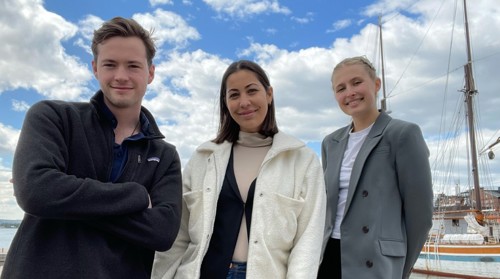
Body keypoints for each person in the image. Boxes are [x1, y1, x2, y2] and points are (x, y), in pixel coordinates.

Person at [1, 17, 182, 279]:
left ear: (150, 72)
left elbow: (162, 232)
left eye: (133, 65)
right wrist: (137, 197)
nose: (121, 76)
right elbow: (36, 192)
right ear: (96, 68)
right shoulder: (54, 117)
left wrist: (61, 200)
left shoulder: (164, 155)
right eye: (110, 64)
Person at [152, 60, 327, 278]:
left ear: (269, 94)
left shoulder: (302, 160)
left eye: (252, 91)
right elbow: (178, 235)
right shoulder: (202, 158)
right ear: (225, 103)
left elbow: (308, 240)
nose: (244, 102)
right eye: (234, 95)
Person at [318, 56, 433, 279]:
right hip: (329, 257)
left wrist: (399, 269)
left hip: (374, 262)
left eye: (356, 82)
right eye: (340, 88)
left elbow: (420, 215)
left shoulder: (402, 134)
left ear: (376, 84)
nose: (349, 92)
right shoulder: (329, 143)